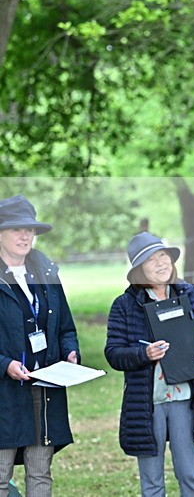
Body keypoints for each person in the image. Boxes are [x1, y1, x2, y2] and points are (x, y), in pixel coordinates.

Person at [104, 232, 194, 497]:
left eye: (163, 256)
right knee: (152, 480)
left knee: (189, 474)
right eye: (151, 260)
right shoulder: (124, 305)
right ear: (139, 270)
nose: (161, 263)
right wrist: (144, 354)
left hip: (184, 398)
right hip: (147, 404)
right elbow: (113, 353)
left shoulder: (189, 294)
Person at [0, 195, 80, 497]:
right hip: (5, 394)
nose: (25, 236)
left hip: (44, 387)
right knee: (0, 474)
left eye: (30, 230)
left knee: (40, 472)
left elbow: (66, 327)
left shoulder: (46, 272)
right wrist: (5, 364)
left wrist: (70, 352)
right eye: (16, 229)